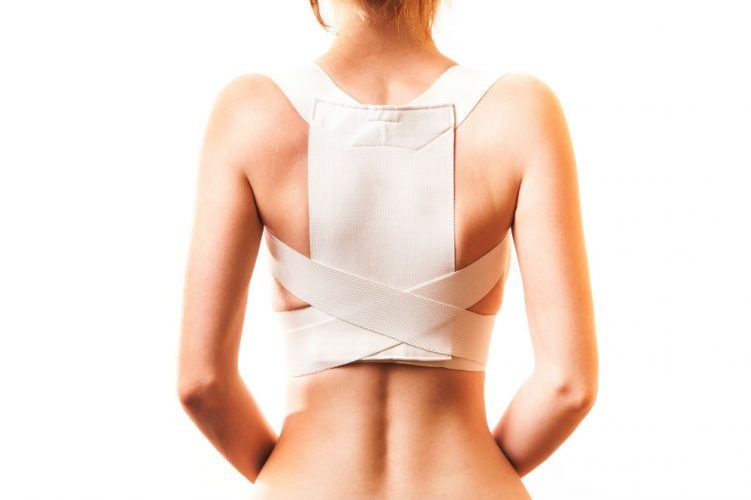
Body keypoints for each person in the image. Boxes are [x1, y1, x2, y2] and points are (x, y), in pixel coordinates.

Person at [177, 0, 599, 498]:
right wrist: (480, 469)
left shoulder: (251, 112)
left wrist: (290, 473)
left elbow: (202, 384)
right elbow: (568, 386)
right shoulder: (519, 114)